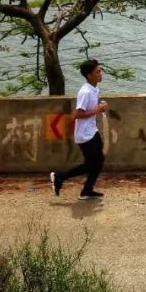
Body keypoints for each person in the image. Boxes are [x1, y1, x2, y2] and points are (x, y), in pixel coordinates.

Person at [49, 59, 108, 200]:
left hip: (91, 131)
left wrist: (99, 106)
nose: (101, 74)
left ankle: (87, 190)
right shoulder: (85, 92)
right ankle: (59, 176)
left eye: (100, 71)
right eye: (97, 72)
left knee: (98, 162)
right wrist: (97, 110)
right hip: (85, 135)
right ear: (89, 76)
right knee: (92, 164)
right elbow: (77, 115)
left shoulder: (94, 88)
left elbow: (91, 108)